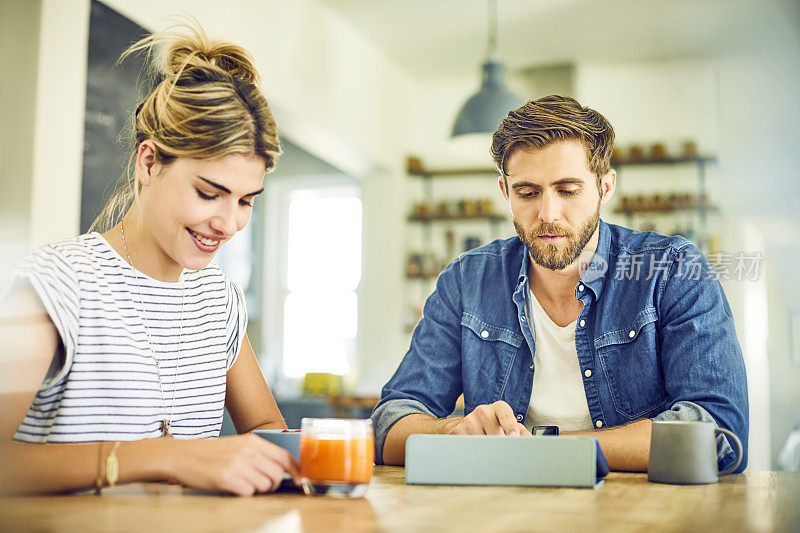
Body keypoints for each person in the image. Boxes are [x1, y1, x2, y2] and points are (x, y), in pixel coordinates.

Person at [372, 95, 749, 472]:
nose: (548, 214)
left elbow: (718, 432)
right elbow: (389, 423)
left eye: (568, 190)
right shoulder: (466, 280)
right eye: (527, 193)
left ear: (605, 187)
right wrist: (455, 433)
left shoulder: (672, 270)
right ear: (505, 192)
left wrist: (540, 451)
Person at [0, 24, 300, 496]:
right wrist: (167, 455)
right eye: (208, 193)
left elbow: (264, 428)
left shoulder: (217, 299)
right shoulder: (59, 282)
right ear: (148, 163)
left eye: (246, 201)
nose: (228, 223)